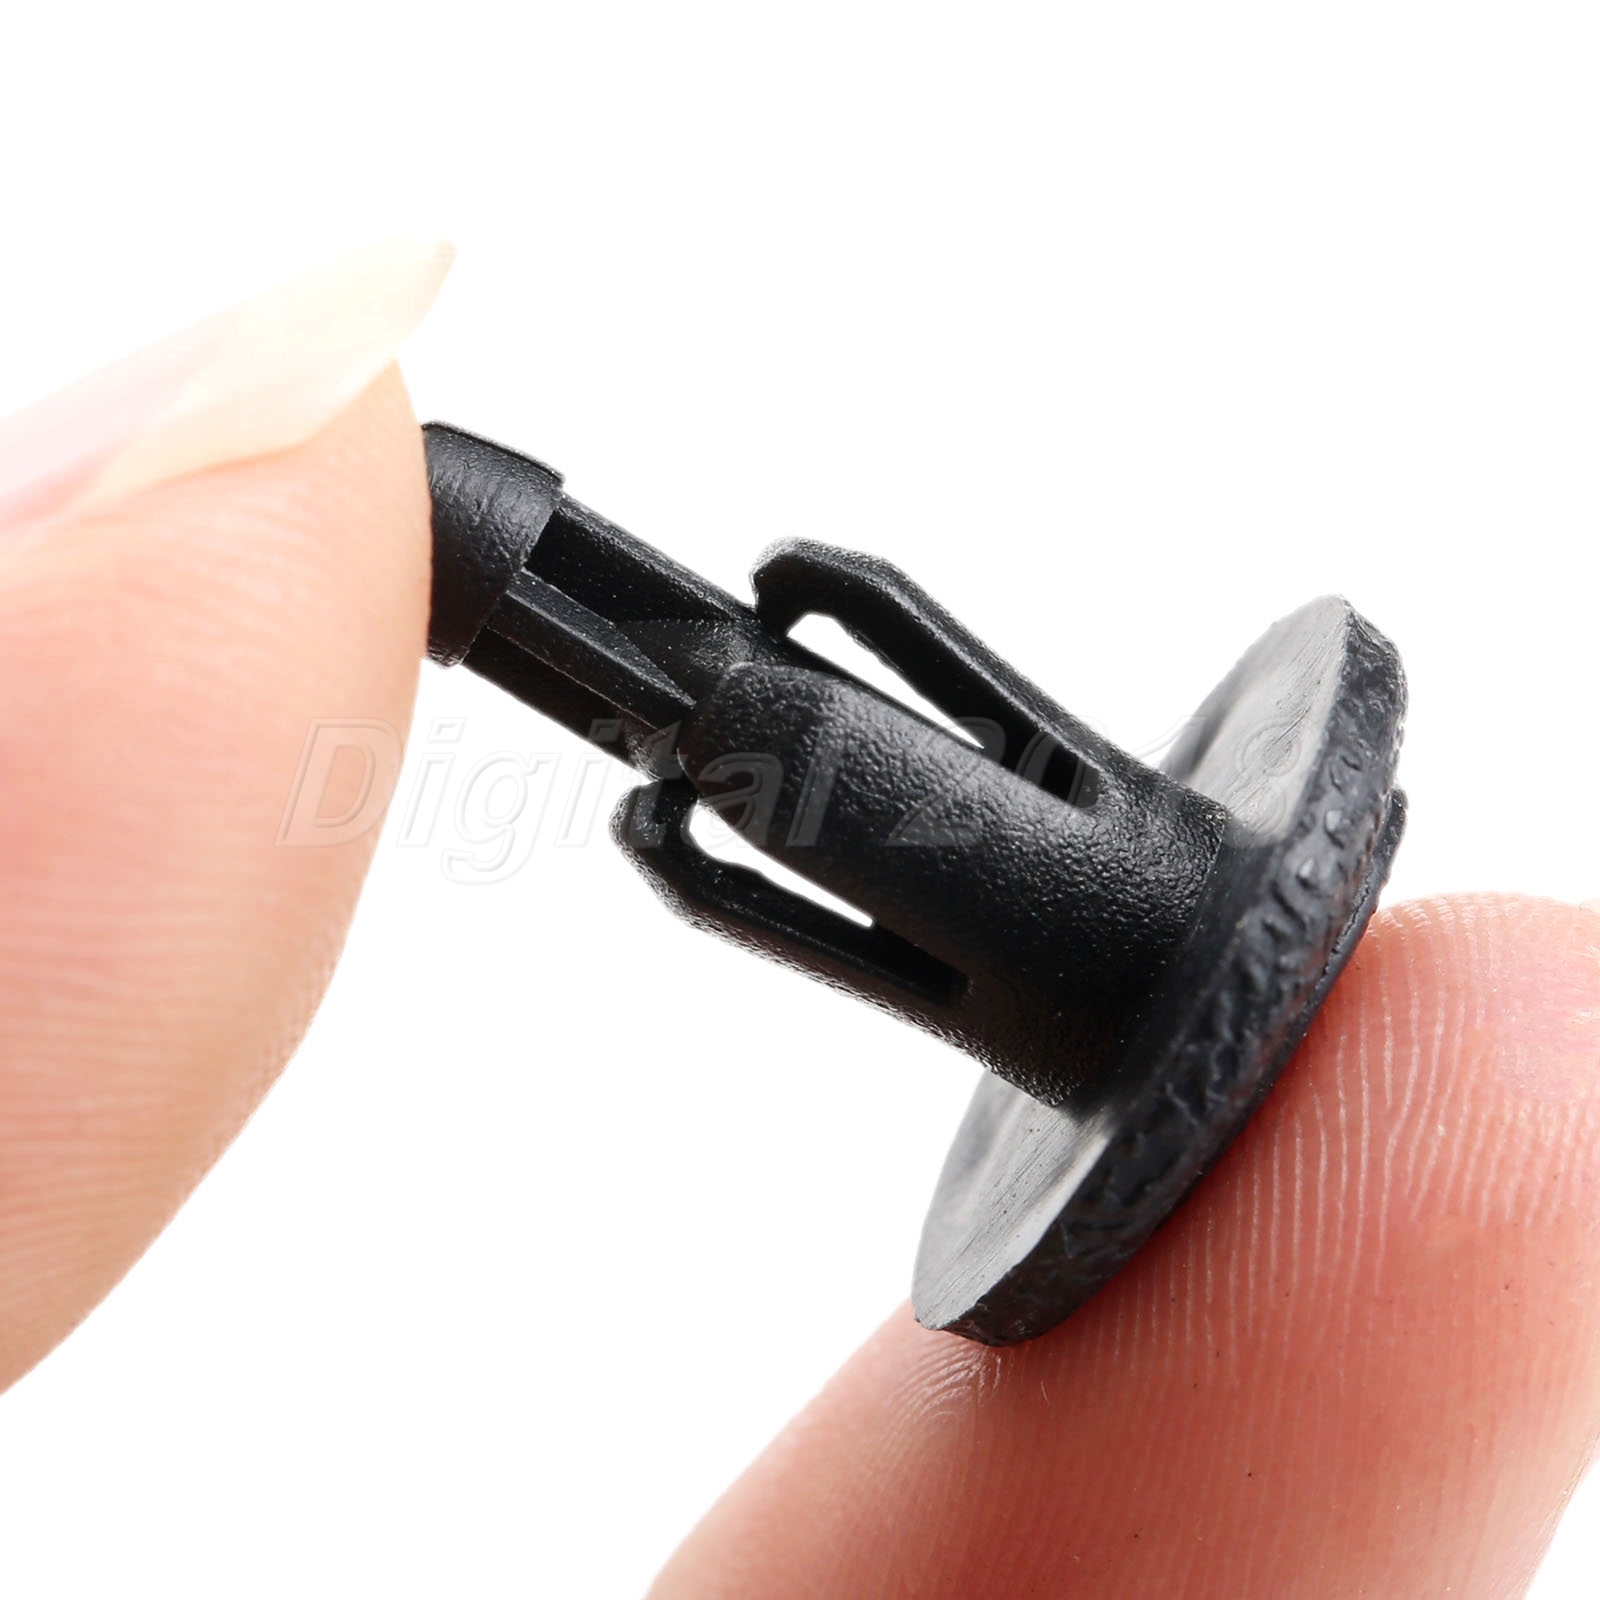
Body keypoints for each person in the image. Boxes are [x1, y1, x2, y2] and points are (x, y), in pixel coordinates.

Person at [0, 245, 1596, 1598]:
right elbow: (818, 647)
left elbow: (845, 616)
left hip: (1159, 929)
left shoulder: (748, 743)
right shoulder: (713, 776)